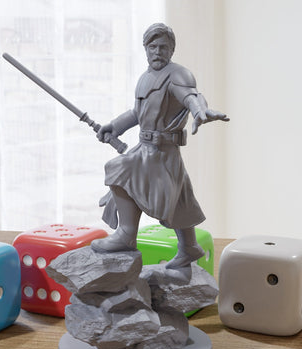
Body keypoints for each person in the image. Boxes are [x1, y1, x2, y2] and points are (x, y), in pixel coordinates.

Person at [91, 23, 229, 270]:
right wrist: (114, 126)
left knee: (118, 168)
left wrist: (201, 111)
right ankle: (189, 247)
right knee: (180, 201)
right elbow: (137, 112)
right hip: (145, 148)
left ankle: (126, 234)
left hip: (162, 152)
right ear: (145, 49)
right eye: (152, 47)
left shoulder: (178, 75)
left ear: (171, 49)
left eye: (163, 47)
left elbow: (191, 97)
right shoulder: (145, 78)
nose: (157, 52)